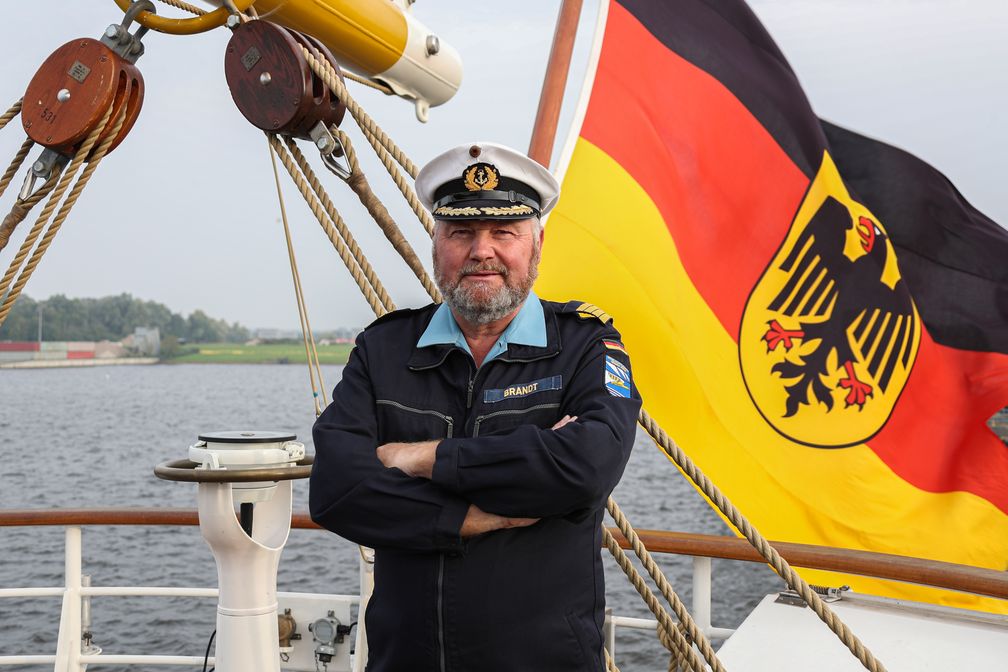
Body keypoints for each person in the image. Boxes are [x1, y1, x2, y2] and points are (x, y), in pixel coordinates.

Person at [310, 142, 641, 672]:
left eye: (504, 233)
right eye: (461, 232)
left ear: (537, 243)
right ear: (437, 243)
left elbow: (584, 467)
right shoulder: (385, 349)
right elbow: (336, 488)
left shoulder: (585, 345)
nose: (481, 251)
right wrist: (466, 518)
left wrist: (422, 459)